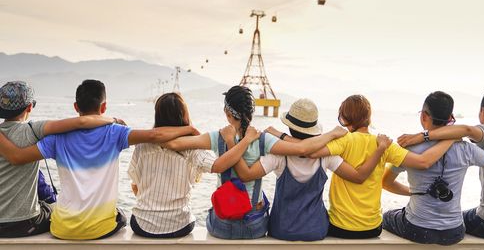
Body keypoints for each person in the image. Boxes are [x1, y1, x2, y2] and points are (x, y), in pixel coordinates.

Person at [0, 79, 199, 240]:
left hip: (62, 229)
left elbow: (19, 156)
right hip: (101, 229)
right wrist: (189, 129)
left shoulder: (55, 139)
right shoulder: (116, 133)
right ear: (103, 107)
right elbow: (155, 135)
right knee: (120, 214)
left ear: (76, 106)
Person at [161, 86, 348, 239]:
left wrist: (190, 129)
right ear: (252, 112)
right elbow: (302, 149)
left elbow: (172, 144)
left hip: (223, 226)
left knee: (212, 211)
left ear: (227, 113)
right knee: (262, 202)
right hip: (254, 226)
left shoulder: (216, 137)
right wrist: (332, 134)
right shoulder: (264, 140)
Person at [221, 98, 392, 241]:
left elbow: (245, 175)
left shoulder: (279, 155)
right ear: (313, 129)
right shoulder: (326, 155)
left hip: (282, 230)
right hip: (316, 230)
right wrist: (379, 149)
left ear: (289, 127)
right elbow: (358, 176)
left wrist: (232, 143)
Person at [309, 94, 457, 239]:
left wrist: (331, 134)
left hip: (340, 228)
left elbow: (312, 151)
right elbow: (422, 162)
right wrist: (450, 138)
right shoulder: (385, 144)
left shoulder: (343, 141)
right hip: (372, 229)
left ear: (345, 119)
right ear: (368, 118)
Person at [127, 92, 260, 238]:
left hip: (142, 225)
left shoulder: (142, 146)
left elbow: (135, 186)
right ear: (184, 115)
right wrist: (245, 140)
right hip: (179, 225)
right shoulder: (192, 148)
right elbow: (218, 165)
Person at [0, 81, 118, 238]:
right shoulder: (33, 130)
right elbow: (81, 122)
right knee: (56, 209)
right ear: (30, 107)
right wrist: (113, 120)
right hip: (22, 224)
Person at [397, 90, 484, 240]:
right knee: (456, 222)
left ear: (483, 112)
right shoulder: (467, 150)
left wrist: (423, 136)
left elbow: (466, 130)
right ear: (450, 118)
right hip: (468, 227)